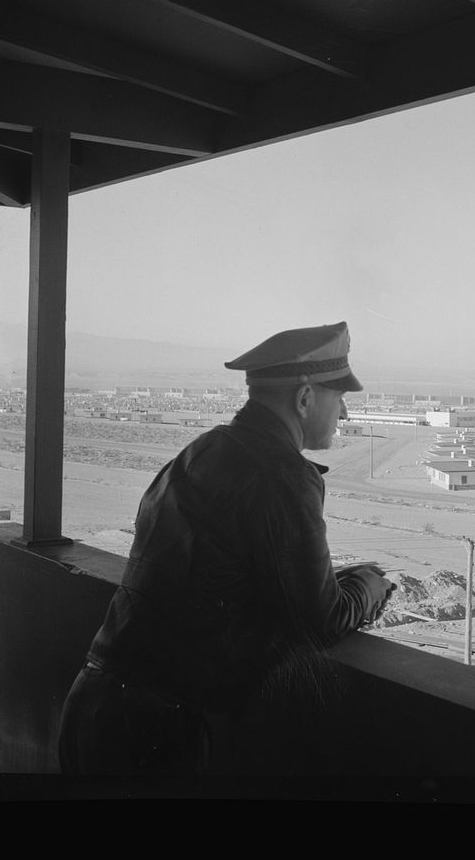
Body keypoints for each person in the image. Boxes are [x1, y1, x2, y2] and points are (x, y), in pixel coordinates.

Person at [58, 321, 395, 775]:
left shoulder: (201, 450)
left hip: (91, 704)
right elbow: (320, 620)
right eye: (340, 397)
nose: (345, 415)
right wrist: (369, 587)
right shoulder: (284, 476)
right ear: (304, 398)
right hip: (153, 730)